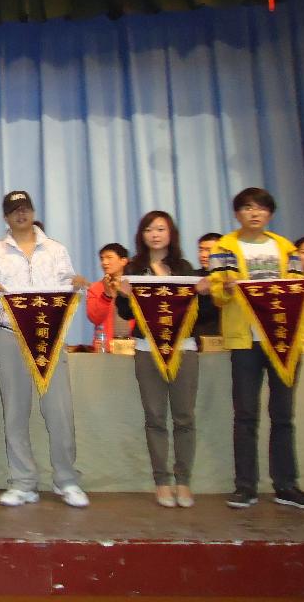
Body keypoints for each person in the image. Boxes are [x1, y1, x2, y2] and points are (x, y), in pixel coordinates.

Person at [209, 187, 304, 511]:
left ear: (270, 214)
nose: (254, 213)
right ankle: (245, 486)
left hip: (284, 340)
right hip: (245, 339)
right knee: (245, 414)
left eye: (260, 208)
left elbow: (297, 290)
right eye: (247, 207)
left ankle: (286, 485)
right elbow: (217, 293)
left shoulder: (285, 247)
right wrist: (227, 288)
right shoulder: (224, 247)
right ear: (237, 214)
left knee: (283, 415)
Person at [0, 190, 90, 508]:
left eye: (25, 208)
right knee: (15, 412)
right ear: (6, 217)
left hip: (49, 337)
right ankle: (23, 482)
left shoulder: (56, 249)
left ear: (33, 211)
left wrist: (77, 284)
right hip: (9, 335)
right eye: (14, 210)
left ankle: (67, 480)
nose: (21, 214)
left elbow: (70, 290)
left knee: (59, 411)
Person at [116, 211, 209, 508]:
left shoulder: (185, 268)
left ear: (171, 233)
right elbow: (126, 314)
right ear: (141, 235)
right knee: (155, 417)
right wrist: (123, 295)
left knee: (184, 417)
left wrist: (204, 294)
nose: (155, 234)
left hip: (184, 348)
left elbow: (203, 315)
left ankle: (184, 481)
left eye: (160, 229)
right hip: (147, 350)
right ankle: (161, 482)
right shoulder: (134, 268)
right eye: (149, 229)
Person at [85, 243, 132, 352]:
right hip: (105, 347)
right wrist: (106, 295)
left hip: (133, 347)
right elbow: (95, 318)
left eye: (109, 257)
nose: (104, 262)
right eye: (102, 259)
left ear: (123, 261)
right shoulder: (95, 288)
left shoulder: (135, 286)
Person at [192, 233, 223, 340]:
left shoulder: (231, 278)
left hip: (229, 335)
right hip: (198, 337)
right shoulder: (191, 277)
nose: (203, 255)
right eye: (201, 250)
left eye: (209, 250)